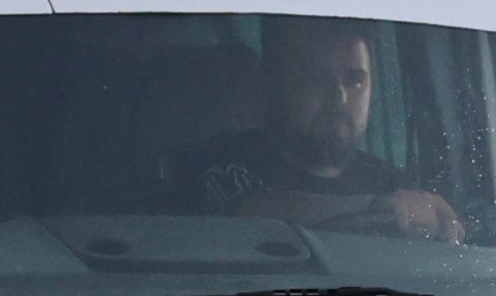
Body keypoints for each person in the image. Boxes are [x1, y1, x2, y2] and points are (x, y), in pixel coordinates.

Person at [182, 20, 459, 238]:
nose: (339, 97)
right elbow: (250, 212)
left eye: (354, 81)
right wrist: (376, 208)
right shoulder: (217, 163)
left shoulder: (390, 184)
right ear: (270, 85)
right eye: (315, 78)